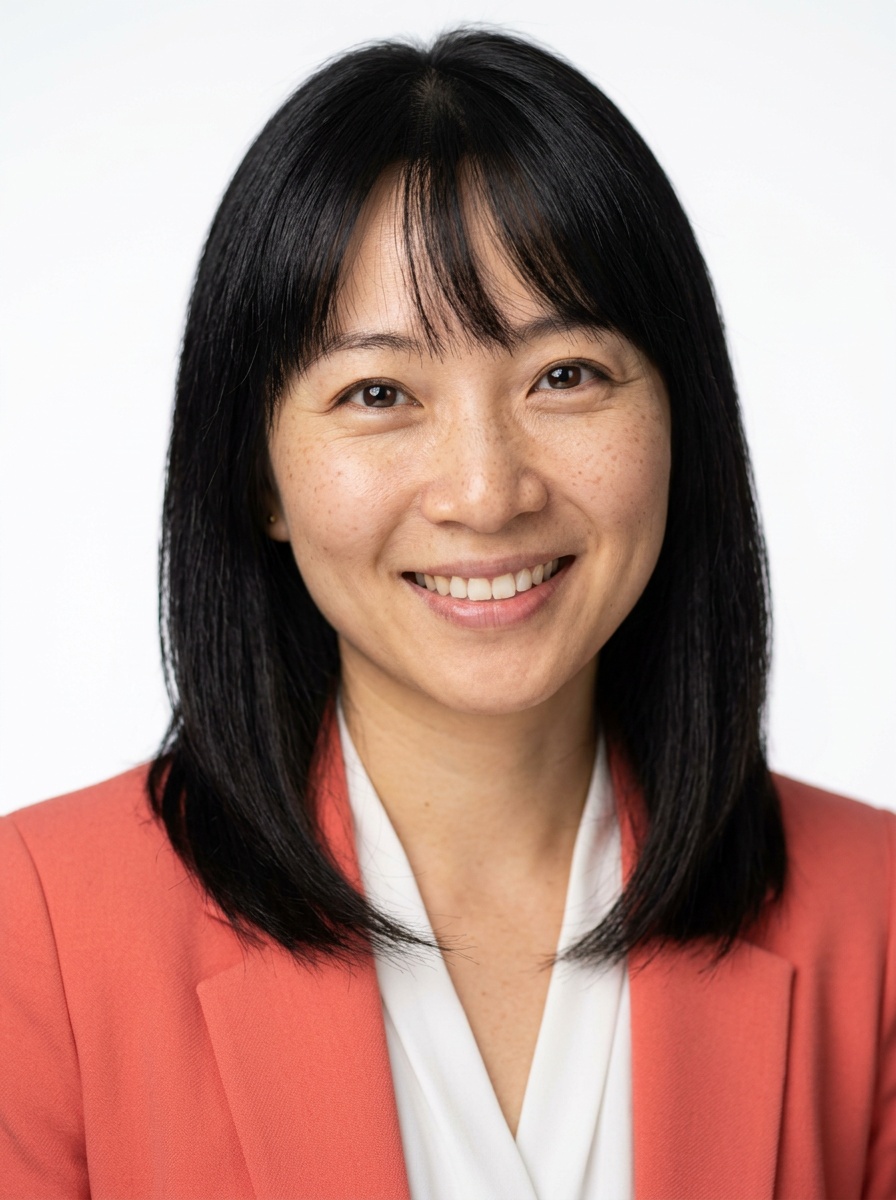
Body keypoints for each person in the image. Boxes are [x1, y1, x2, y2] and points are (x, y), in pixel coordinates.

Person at [1, 27, 893, 1200]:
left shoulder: (874, 916)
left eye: (563, 375)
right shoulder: (39, 930)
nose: (486, 492)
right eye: (378, 393)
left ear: (682, 417)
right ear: (257, 474)